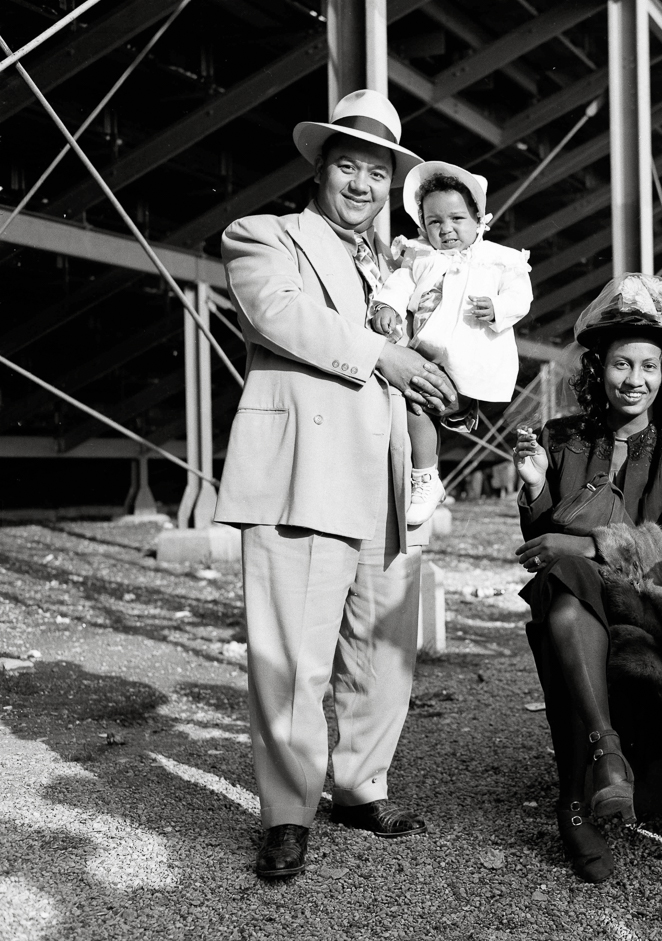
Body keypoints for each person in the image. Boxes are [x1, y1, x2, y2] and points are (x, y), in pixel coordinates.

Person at [215, 89, 465, 880]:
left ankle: (360, 784)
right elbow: (281, 317)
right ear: (320, 168)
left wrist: (440, 374)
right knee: (293, 656)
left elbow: (439, 342)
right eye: (348, 165)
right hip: (305, 473)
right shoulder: (264, 236)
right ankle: (288, 810)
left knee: (383, 649)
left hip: (392, 476)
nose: (362, 184)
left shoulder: (401, 260)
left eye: (377, 172)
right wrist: (386, 355)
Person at [512, 274, 662, 884]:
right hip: (577, 601)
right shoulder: (563, 438)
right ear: (598, 369)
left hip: (658, 604)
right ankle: (599, 763)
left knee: (563, 588)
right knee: (564, 597)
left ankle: (578, 791)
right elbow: (541, 538)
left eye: (648, 366)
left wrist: (580, 544)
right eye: (621, 364)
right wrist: (535, 486)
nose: (634, 380)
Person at [369, 162, 533, 524]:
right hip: (427, 352)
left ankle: (461, 413)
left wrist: (499, 308)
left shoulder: (498, 259)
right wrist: (387, 306)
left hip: (474, 356)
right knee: (416, 404)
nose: (446, 231)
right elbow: (399, 285)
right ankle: (427, 477)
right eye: (434, 222)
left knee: (444, 400)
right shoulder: (421, 257)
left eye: (457, 219)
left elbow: (521, 295)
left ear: (479, 219)